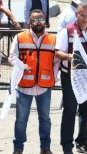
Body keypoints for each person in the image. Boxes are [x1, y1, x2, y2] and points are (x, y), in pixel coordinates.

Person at [9, 9, 58, 154]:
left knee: (45, 118)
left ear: (45, 21)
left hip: (44, 87)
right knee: (21, 119)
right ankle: (18, 148)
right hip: (24, 86)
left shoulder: (53, 39)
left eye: (41, 19)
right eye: (35, 20)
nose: (38, 23)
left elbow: (56, 61)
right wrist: (21, 66)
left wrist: (52, 76)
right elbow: (12, 57)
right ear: (29, 22)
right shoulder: (20, 37)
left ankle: (45, 148)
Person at [55, 3, 87, 154]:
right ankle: (67, 145)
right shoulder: (67, 31)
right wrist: (68, 56)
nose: (85, 18)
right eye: (82, 15)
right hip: (70, 77)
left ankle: (82, 142)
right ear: (76, 15)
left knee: (86, 111)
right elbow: (57, 52)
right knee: (70, 111)